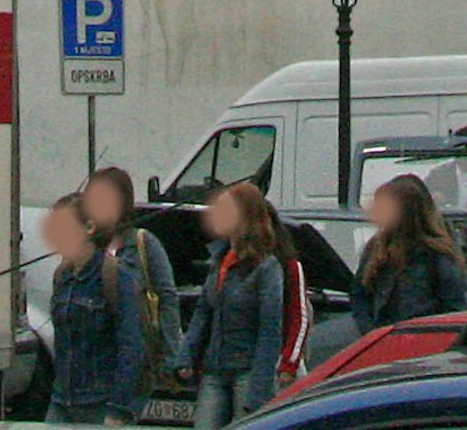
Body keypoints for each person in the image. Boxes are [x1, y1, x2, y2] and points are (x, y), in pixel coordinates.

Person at [185, 179, 305, 426]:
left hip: (248, 368)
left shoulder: (271, 266)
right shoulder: (219, 261)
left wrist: (285, 366)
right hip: (215, 367)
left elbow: (280, 323)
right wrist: (186, 355)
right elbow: (204, 311)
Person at [42, 195, 147, 426]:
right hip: (62, 400)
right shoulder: (62, 277)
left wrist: (118, 409)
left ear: (89, 227)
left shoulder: (115, 276)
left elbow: (131, 347)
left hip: (100, 403)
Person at [82, 169, 180, 411]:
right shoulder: (89, 245)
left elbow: (167, 298)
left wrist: (171, 356)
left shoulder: (142, 243)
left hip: (133, 357)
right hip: (93, 363)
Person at [354, 173, 467, 337]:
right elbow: (360, 294)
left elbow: (454, 309)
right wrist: (370, 332)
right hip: (381, 343)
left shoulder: (436, 254)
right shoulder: (376, 247)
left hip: (421, 346)